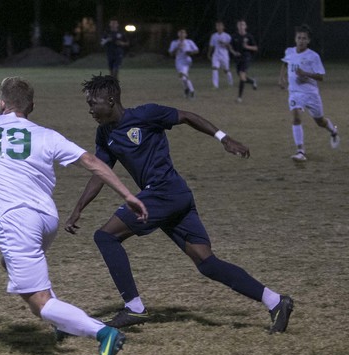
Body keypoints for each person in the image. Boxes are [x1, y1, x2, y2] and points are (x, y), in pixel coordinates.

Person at [64, 74, 294, 334]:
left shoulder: (146, 114)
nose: (90, 110)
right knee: (206, 263)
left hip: (165, 192)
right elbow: (101, 172)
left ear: (111, 99)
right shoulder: (105, 133)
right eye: (88, 105)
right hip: (173, 196)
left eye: (94, 103)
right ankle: (275, 301)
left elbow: (187, 116)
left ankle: (134, 307)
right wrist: (78, 208)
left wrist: (224, 138)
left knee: (105, 237)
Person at [0, 77, 150, 355]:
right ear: (32, 106)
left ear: (2, 104)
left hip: (16, 221)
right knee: (10, 263)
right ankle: (64, 323)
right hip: (47, 219)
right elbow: (92, 162)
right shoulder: (47, 135)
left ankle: (103, 333)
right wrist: (128, 194)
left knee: (38, 302)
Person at [279, 24, 340, 162]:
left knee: (320, 121)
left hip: (311, 93)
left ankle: (333, 131)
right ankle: (301, 151)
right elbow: (285, 64)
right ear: (295, 39)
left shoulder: (313, 56)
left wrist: (305, 74)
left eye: (304, 38)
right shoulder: (289, 51)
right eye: (299, 37)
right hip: (295, 92)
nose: (301, 40)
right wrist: (281, 79)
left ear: (308, 41)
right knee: (296, 117)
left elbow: (321, 77)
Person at [231, 19, 258, 103]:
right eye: (240, 25)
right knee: (242, 78)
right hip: (238, 59)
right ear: (237, 26)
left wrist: (247, 47)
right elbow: (230, 47)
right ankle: (253, 81)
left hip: (246, 58)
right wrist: (234, 52)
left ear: (245, 26)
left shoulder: (249, 36)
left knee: (242, 76)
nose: (241, 26)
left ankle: (239, 97)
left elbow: (255, 48)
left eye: (243, 25)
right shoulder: (234, 36)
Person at [168, 29, 199, 98]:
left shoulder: (189, 42)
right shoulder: (175, 42)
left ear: (186, 35)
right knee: (183, 78)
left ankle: (192, 91)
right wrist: (177, 47)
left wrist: (190, 52)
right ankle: (186, 89)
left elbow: (196, 50)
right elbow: (171, 53)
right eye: (180, 33)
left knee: (183, 74)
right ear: (178, 34)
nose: (182, 35)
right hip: (178, 61)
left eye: (183, 33)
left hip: (187, 60)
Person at [207, 21, 234, 89]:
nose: (218, 27)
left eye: (220, 26)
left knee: (226, 70)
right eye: (217, 26)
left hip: (224, 54)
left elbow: (230, 46)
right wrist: (209, 53)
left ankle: (230, 82)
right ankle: (215, 85)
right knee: (215, 68)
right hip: (216, 54)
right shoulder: (214, 36)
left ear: (223, 27)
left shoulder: (227, 36)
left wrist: (224, 43)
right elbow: (211, 46)